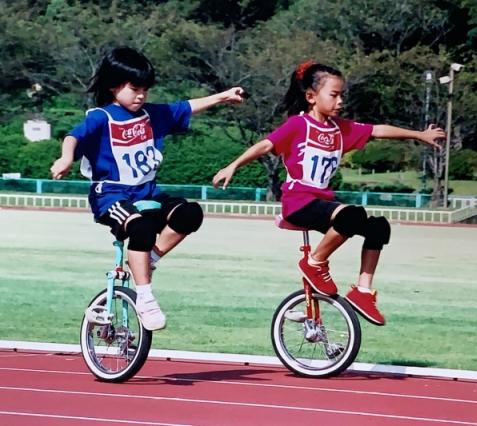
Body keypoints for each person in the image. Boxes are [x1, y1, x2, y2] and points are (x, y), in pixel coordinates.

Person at [213, 61, 444, 326]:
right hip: (298, 203)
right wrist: (232, 166)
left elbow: (377, 130)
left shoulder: (340, 129)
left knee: (378, 227)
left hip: (323, 204)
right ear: (311, 97)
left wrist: (418, 135)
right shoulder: (298, 125)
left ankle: (363, 291)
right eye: (334, 95)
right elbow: (266, 145)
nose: (340, 101)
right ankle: (315, 262)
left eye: (341, 95)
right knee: (352, 215)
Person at [50, 46, 245, 331]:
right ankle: (145, 297)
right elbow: (73, 137)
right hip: (112, 196)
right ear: (114, 86)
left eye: (145, 90)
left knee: (190, 213)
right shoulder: (102, 117)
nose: (141, 96)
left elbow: (186, 106)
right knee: (139, 227)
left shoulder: (151, 115)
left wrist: (223, 96)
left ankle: (148, 259)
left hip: (147, 193)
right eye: (134, 89)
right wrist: (66, 158)